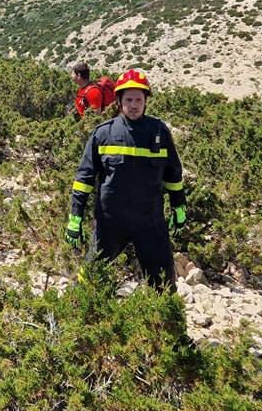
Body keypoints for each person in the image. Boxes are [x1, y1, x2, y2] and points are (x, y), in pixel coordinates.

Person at [65, 68, 188, 288]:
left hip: (150, 223)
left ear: (145, 101)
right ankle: (76, 315)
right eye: (129, 99)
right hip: (110, 223)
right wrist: (76, 216)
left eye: (138, 99)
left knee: (163, 285)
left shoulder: (159, 131)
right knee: (90, 279)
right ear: (119, 100)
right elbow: (84, 178)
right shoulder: (103, 133)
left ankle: (162, 322)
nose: (134, 105)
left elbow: (173, 175)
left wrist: (179, 208)